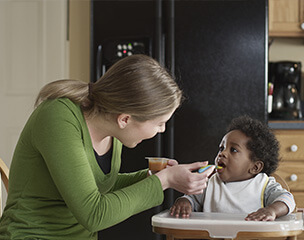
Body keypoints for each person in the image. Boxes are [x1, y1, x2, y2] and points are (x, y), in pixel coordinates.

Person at [0, 54, 213, 239]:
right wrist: (164, 180)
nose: (163, 130)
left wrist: (153, 176)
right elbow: (94, 214)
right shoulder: (58, 117)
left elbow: (97, 186)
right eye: (159, 123)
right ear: (125, 119)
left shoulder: (113, 132)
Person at [170, 115, 296, 221]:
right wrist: (184, 202)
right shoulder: (209, 184)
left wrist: (271, 210)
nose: (222, 153)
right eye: (221, 148)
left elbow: (287, 200)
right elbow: (191, 199)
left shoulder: (264, 186)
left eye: (233, 150)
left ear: (255, 167)